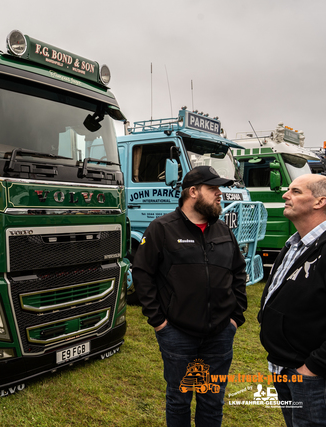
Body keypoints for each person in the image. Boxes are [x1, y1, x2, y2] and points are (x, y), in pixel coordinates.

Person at [134, 166, 247, 427]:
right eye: (213, 188)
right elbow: (142, 275)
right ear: (193, 191)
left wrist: (235, 317)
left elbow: (238, 271)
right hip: (178, 334)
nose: (220, 194)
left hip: (219, 334)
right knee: (179, 398)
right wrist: (159, 322)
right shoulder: (161, 229)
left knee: (212, 399)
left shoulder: (223, 231)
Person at [259, 173, 326, 427]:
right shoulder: (295, 243)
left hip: (312, 375)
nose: (285, 195)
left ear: (320, 201)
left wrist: (313, 367)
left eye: (296, 191)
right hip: (283, 367)